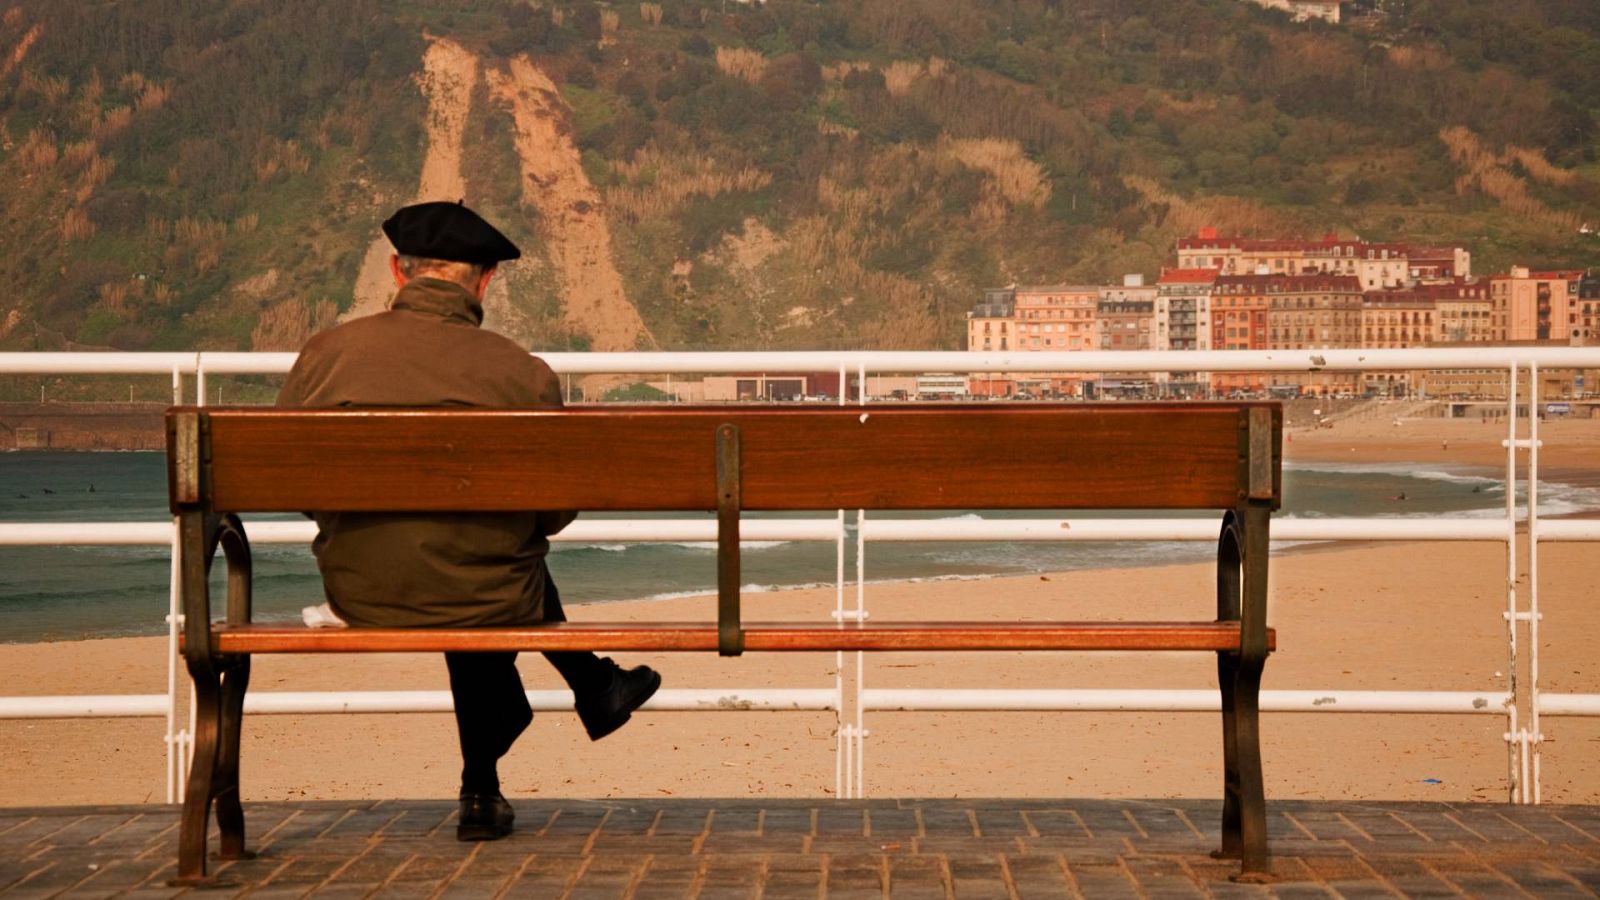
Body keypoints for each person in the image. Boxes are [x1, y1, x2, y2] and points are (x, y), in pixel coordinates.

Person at [276, 201, 661, 842]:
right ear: (485, 281)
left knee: (456, 560)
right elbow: (555, 512)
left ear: (400, 272)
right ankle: (564, 708)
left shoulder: (326, 354)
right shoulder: (522, 373)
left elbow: (293, 481)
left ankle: (497, 774)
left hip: (365, 590)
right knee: (483, 567)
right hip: (490, 591)